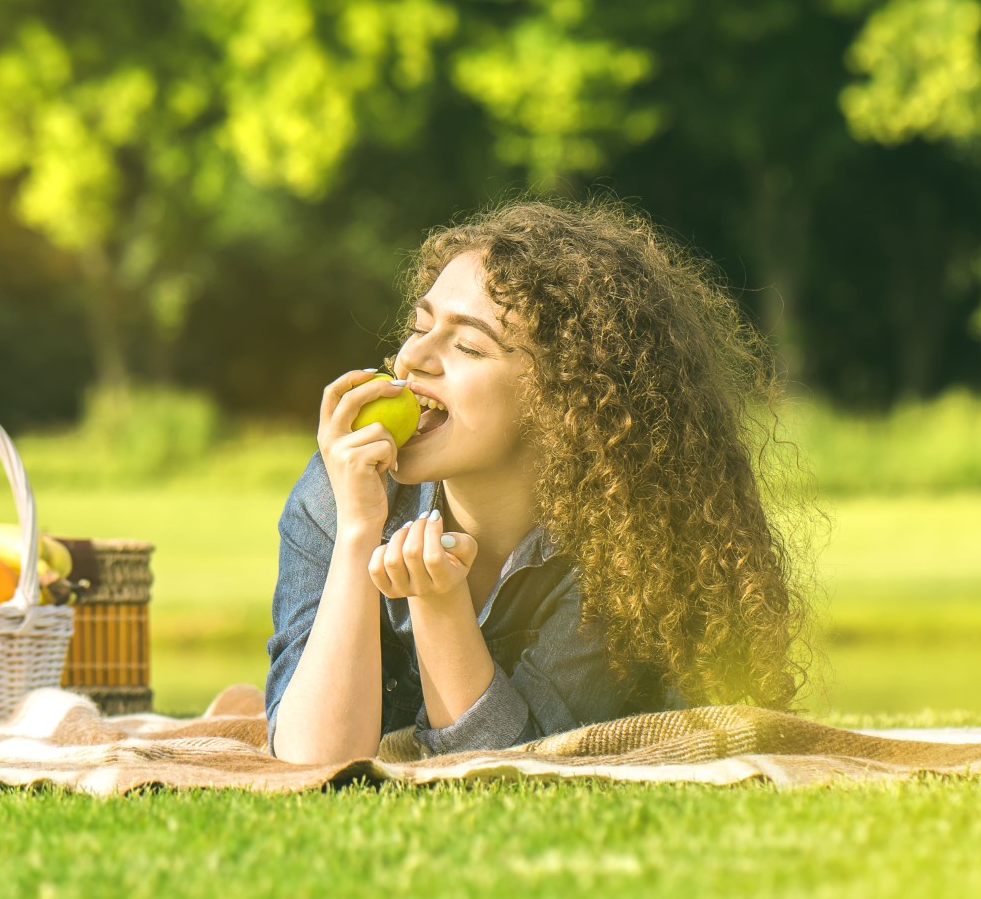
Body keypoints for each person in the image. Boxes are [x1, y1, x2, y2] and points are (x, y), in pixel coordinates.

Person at [265, 199, 815, 763]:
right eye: (419, 326)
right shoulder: (343, 489)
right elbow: (312, 761)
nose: (412, 360)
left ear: (563, 399)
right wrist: (358, 532)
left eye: (468, 345)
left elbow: (521, 768)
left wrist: (438, 606)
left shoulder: (624, 547)